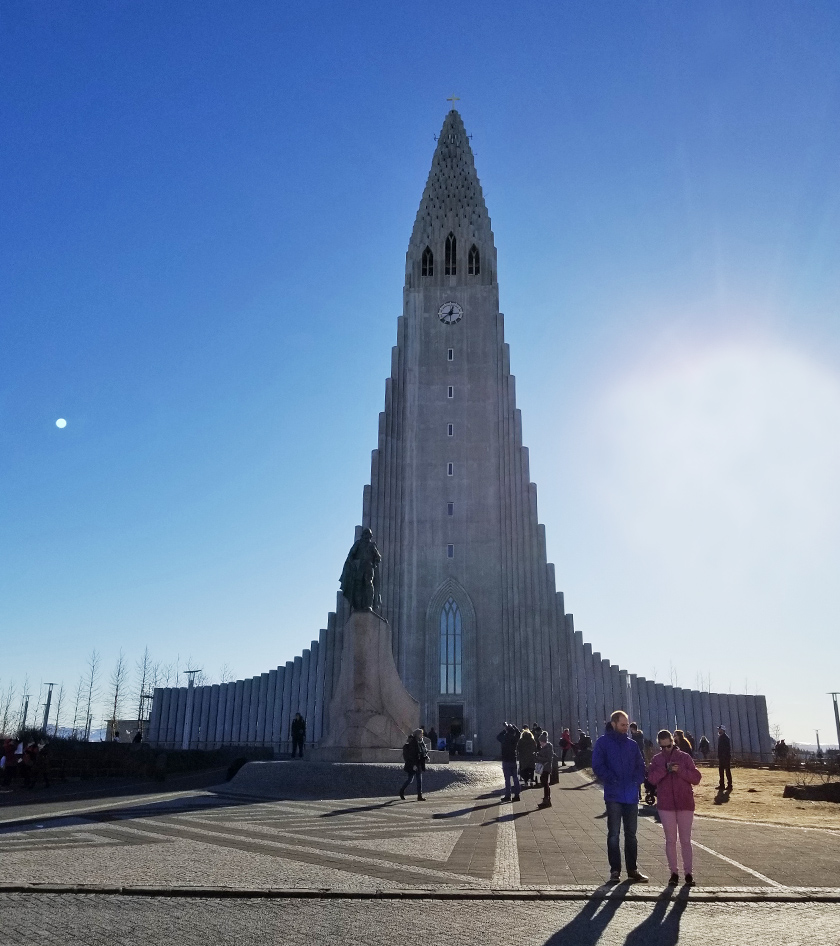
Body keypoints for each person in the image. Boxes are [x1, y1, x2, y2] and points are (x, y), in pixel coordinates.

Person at [592, 710, 649, 883]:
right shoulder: (603, 743)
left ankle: (633, 869)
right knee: (614, 834)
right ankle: (615, 870)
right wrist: (611, 778)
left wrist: (637, 781)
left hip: (631, 796)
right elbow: (597, 765)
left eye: (627, 725)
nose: (626, 728)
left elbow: (641, 765)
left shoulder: (632, 745)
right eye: (623, 725)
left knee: (631, 834)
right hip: (614, 795)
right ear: (614, 724)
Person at [648, 729, 702, 885]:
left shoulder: (684, 757)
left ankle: (689, 874)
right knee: (670, 840)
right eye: (662, 747)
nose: (666, 749)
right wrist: (664, 769)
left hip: (685, 803)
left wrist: (681, 771)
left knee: (685, 840)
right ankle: (673, 873)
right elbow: (651, 779)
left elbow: (696, 778)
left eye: (668, 746)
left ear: (673, 742)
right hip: (666, 805)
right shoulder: (657, 759)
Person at [399, 728, 429, 800]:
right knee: (410, 779)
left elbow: (423, 751)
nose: (422, 735)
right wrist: (413, 765)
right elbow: (412, 755)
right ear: (417, 734)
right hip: (413, 764)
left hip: (419, 763)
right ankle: (402, 791)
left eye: (422, 733)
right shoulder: (413, 742)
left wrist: (426, 757)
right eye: (421, 734)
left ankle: (419, 796)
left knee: (419, 779)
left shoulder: (421, 742)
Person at [497, 722, 521, 801]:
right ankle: (517, 795)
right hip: (513, 759)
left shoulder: (504, 738)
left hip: (506, 760)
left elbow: (498, 737)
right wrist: (514, 727)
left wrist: (505, 730)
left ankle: (508, 795)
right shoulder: (514, 739)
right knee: (515, 778)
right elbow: (519, 734)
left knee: (507, 779)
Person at [535, 731, 554, 808]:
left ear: (543, 741)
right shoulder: (546, 747)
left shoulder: (548, 748)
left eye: (540, 742)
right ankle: (546, 798)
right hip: (545, 767)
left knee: (545, 783)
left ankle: (547, 799)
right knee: (545, 783)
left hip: (546, 767)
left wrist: (538, 757)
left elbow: (548, 758)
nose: (540, 743)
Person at [629, 723, 645, 799]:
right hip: (639, 756)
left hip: (636, 757)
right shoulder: (639, 735)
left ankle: (638, 793)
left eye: (631, 729)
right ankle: (638, 794)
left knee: (636, 775)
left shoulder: (636, 737)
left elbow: (638, 746)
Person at [717, 725, 732, 791]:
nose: (718, 730)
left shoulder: (725, 738)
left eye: (719, 729)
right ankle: (722, 785)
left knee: (727, 771)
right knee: (721, 771)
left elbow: (726, 748)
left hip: (725, 757)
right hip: (722, 757)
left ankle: (729, 785)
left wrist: (723, 755)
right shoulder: (722, 737)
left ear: (722, 730)